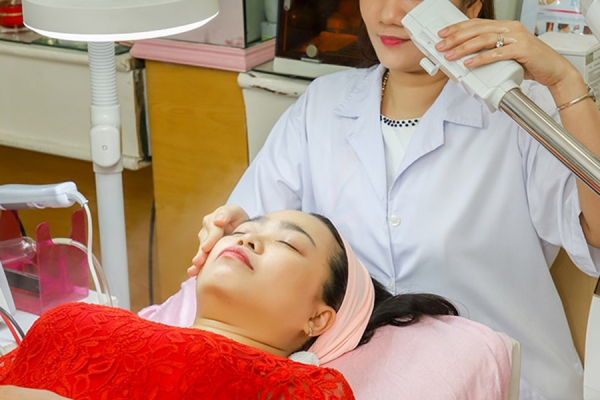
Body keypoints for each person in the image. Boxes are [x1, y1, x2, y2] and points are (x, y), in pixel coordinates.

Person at [172, 1, 600, 399]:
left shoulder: (522, 111)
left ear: (471, 6)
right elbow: (252, 226)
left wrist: (565, 82)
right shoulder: (321, 106)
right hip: (356, 382)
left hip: (504, 384)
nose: (390, 14)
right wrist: (233, 226)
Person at [0, 210, 461, 399]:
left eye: (287, 243)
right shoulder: (78, 317)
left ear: (317, 318)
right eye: (245, 230)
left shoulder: (303, 390)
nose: (247, 239)